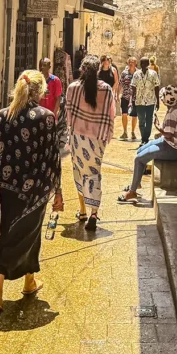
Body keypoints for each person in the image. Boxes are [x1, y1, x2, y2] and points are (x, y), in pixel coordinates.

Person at [0, 71, 61, 312]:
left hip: (8, 187)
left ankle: (13, 284)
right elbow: (53, 157)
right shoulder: (46, 118)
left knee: (8, 231)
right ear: (40, 92)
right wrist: (58, 191)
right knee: (30, 232)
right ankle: (12, 284)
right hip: (36, 189)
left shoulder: (4, 115)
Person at [64, 55, 116, 232]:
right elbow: (111, 115)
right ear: (98, 70)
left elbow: (68, 115)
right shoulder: (107, 90)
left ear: (83, 70)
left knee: (79, 172)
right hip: (98, 140)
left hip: (78, 137)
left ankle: (83, 211)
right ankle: (94, 213)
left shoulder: (73, 88)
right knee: (93, 173)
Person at [119, 85, 177, 203]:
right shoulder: (175, 109)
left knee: (138, 159)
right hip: (170, 143)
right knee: (140, 151)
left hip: (175, 149)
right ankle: (137, 182)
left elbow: (169, 135)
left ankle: (132, 191)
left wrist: (158, 127)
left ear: (166, 100)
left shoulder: (172, 114)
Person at [129, 57, 161, 144]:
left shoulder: (153, 74)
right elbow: (133, 86)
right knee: (141, 120)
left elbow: (157, 87)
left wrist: (158, 101)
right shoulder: (136, 74)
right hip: (139, 101)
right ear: (140, 64)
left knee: (149, 120)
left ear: (148, 64)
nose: (144, 65)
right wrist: (132, 100)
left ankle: (145, 139)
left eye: (145, 63)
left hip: (150, 101)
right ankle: (144, 137)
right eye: (142, 63)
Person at [118, 57, 138, 141]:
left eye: (133, 62)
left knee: (134, 115)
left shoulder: (138, 73)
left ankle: (133, 132)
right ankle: (125, 132)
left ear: (135, 63)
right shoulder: (124, 73)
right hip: (125, 96)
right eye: (129, 62)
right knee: (124, 114)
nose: (131, 63)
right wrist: (117, 94)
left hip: (135, 97)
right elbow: (120, 83)